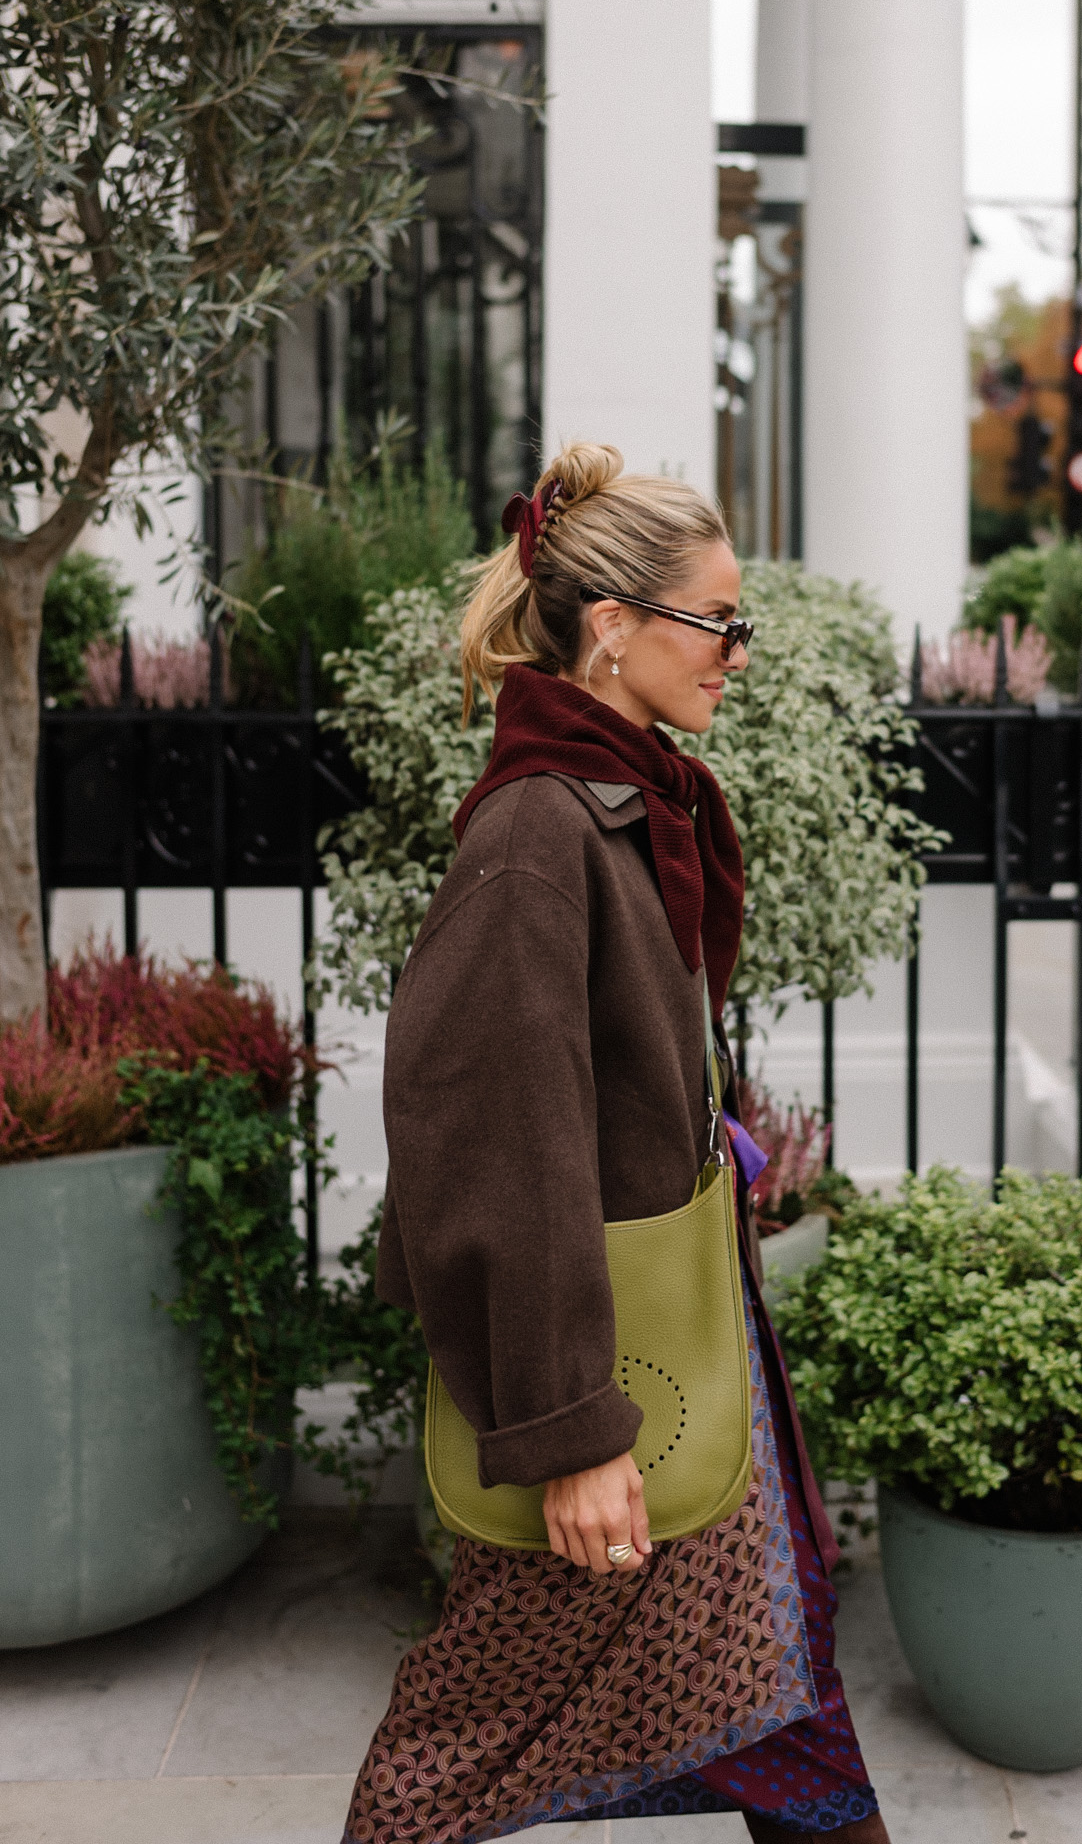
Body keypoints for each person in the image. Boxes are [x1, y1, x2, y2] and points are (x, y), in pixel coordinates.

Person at [343, 443, 889, 1844]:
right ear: (613, 629)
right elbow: (493, 1152)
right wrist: (570, 1435)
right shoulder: (536, 839)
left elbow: (601, 1081)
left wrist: (716, 1144)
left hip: (685, 1345)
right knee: (462, 1754)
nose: (739, 654)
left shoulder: (617, 809)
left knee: (789, 1681)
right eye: (720, 621)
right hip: (616, 1389)